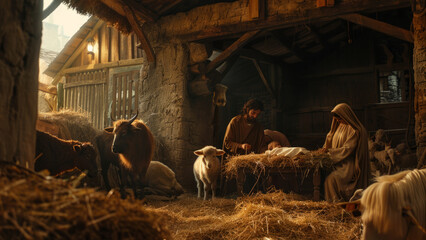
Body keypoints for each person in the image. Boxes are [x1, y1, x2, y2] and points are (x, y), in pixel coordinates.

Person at [319, 103, 370, 202]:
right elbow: (329, 141)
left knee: (331, 180)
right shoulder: (338, 127)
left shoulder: (355, 130)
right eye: (337, 120)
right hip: (336, 162)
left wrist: (329, 152)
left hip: (348, 164)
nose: (338, 121)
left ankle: (336, 203)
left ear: (346, 116)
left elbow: (347, 149)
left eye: (340, 119)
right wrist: (324, 150)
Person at [220, 98, 268, 195]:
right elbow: (227, 142)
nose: (255, 116)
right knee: (235, 186)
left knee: (251, 187)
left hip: (251, 161)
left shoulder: (258, 127)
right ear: (247, 109)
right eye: (253, 112)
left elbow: (262, 145)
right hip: (235, 159)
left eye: (257, 114)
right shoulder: (235, 122)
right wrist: (241, 146)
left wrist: (266, 154)